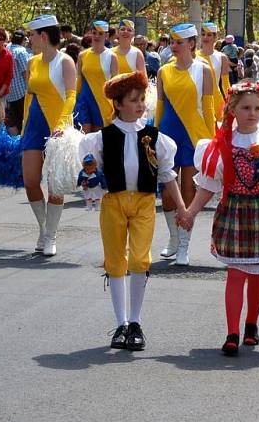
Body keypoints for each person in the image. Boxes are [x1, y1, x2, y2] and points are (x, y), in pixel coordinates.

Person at [185, 82, 259, 356]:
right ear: (233, 110)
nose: (252, 113)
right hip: (235, 211)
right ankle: (231, 331)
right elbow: (209, 184)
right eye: (246, 108)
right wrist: (190, 211)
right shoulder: (222, 142)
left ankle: (251, 324)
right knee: (236, 273)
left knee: (258, 273)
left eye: (257, 108)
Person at [80, 71, 185, 350]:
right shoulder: (101, 138)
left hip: (143, 202)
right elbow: (92, 172)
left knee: (140, 259)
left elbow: (167, 174)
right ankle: (121, 323)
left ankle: (136, 321)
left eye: (142, 99)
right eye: (133, 99)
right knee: (115, 261)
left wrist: (183, 208)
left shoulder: (154, 137)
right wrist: (90, 180)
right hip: (113, 202)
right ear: (118, 103)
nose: (140, 104)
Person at [155, 23, 215, 265]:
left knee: (189, 192)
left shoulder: (205, 70)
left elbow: (209, 109)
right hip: (168, 135)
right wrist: (153, 138)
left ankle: (183, 245)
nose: (174, 46)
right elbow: (159, 108)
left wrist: (212, 142)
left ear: (191, 44)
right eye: (172, 41)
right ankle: (172, 237)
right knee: (169, 195)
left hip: (195, 137)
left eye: (179, 42)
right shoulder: (163, 72)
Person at [21, 14, 77, 256]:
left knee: (55, 184)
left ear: (43, 36)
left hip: (57, 125)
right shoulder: (32, 62)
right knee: (31, 180)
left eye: (32, 35)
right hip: (34, 124)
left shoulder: (65, 62)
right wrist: (23, 126)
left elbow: (71, 96)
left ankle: (51, 235)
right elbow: (29, 96)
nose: (29, 39)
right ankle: (44, 228)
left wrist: (62, 125)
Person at [75, 20, 114, 132]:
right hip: (84, 100)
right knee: (84, 135)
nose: (97, 36)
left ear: (106, 36)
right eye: (94, 32)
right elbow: (79, 80)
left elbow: (115, 84)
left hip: (103, 103)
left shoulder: (112, 56)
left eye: (101, 33)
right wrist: (75, 100)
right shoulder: (82, 55)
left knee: (99, 139)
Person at [198, 22, 231, 120]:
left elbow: (225, 84)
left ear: (215, 37)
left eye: (209, 35)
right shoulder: (194, 57)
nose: (205, 37)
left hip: (217, 100)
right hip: (199, 100)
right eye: (203, 34)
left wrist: (230, 102)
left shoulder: (222, 57)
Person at [6, 29, 31, 136]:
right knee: (24, 119)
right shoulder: (21, 52)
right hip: (22, 92)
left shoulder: (7, 49)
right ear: (23, 40)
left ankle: (14, 146)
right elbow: (26, 73)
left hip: (10, 92)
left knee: (13, 121)